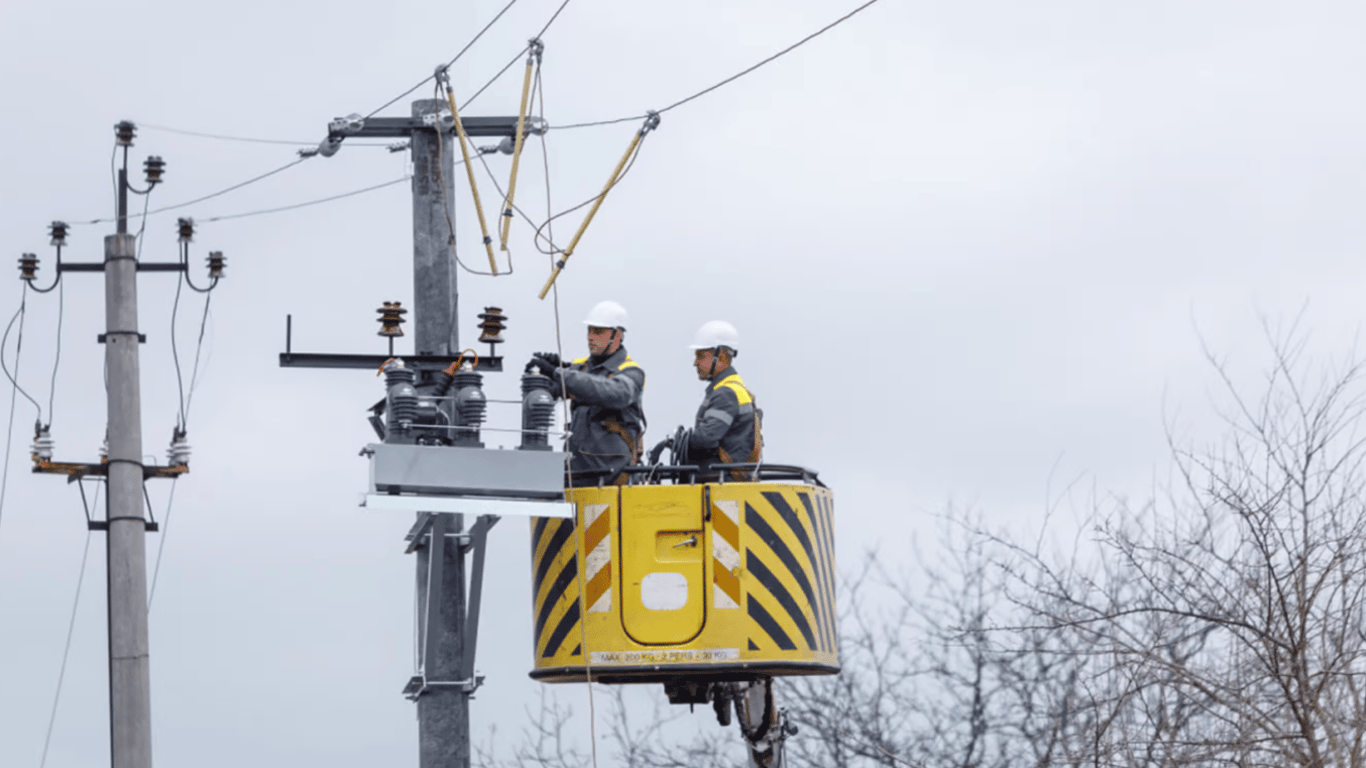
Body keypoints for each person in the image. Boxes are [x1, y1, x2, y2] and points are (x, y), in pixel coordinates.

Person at [528, 300, 646, 486]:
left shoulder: (631, 372)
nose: (590, 337)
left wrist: (558, 372)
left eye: (598, 332)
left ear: (617, 335)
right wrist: (544, 375)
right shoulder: (580, 367)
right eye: (589, 331)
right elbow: (553, 391)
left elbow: (613, 393)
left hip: (612, 480)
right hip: (577, 476)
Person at [649, 320, 762, 480]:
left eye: (701, 356)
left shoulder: (726, 393)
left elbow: (705, 438)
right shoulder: (735, 388)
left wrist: (678, 442)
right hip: (728, 479)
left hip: (720, 481)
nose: (695, 362)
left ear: (721, 356)